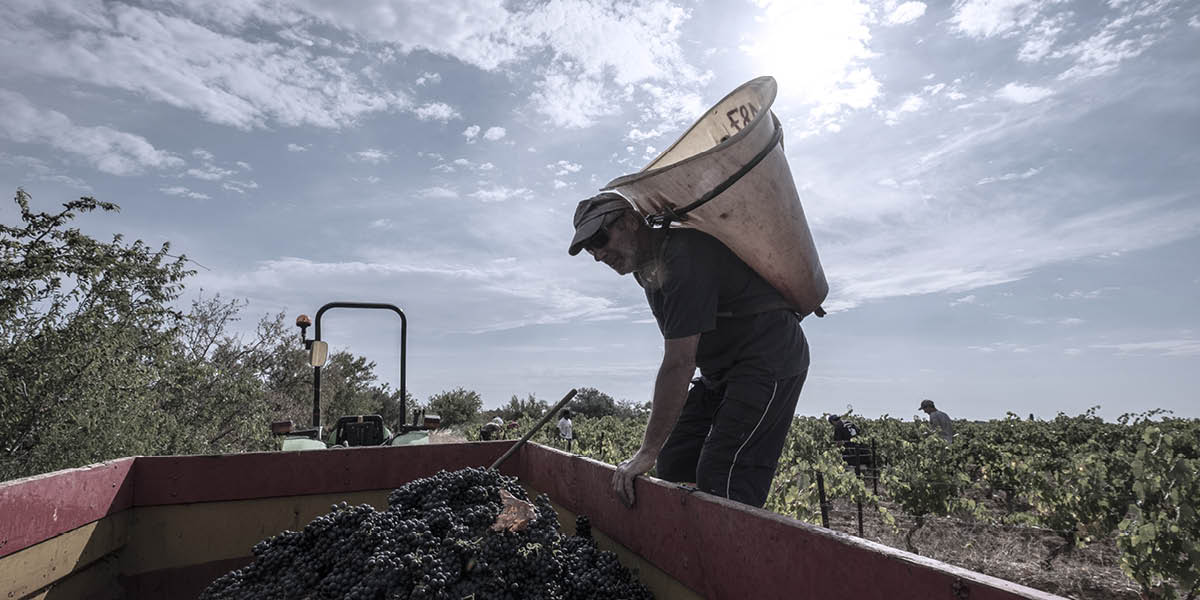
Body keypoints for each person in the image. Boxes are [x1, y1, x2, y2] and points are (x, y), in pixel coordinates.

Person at [568, 192, 810, 509]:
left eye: (600, 238)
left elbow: (680, 361)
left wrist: (645, 452)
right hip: (720, 371)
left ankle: (729, 552)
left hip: (768, 358)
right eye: (590, 249)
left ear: (630, 221)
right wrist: (655, 450)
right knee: (676, 457)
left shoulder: (684, 256)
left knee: (722, 474)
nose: (598, 254)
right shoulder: (647, 269)